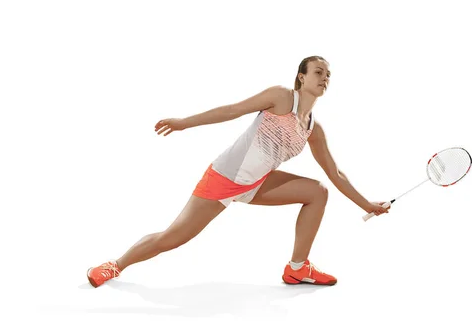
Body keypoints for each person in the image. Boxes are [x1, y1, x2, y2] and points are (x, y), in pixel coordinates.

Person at [86, 56, 390, 287]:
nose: (325, 78)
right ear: (301, 77)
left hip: (258, 182)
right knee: (174, 238)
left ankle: (298, 267)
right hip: (224, 178)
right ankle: (117, 264)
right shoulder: (283, 96)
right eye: (318, 72)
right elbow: (232, 110)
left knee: (318, 191)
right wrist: (182, 122)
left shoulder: (313, 128)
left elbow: (336, 173)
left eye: (328, 76)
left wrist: (367, 205)